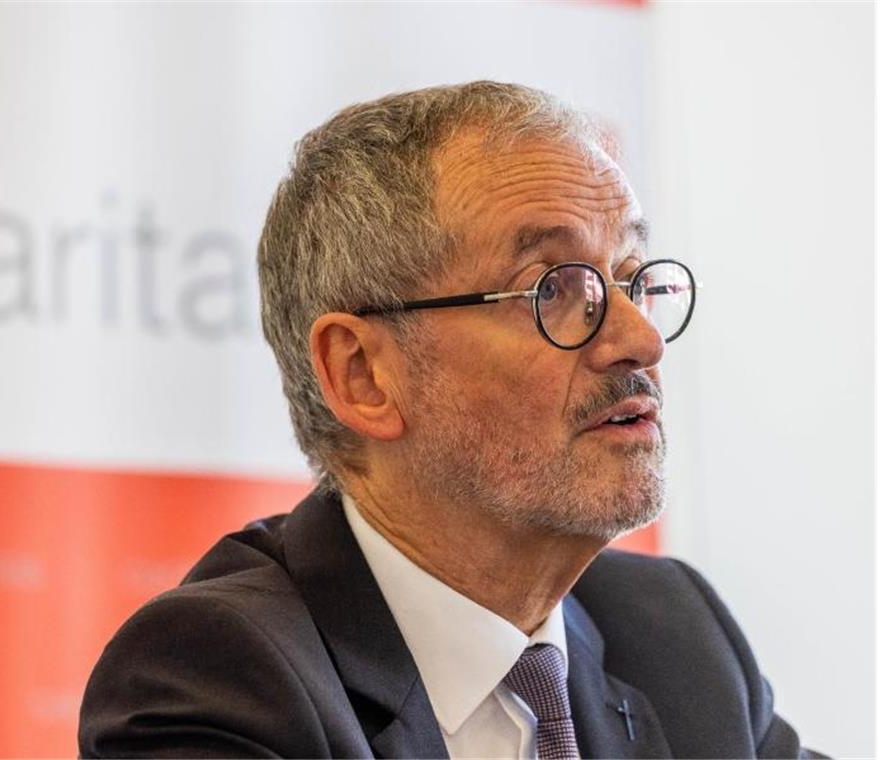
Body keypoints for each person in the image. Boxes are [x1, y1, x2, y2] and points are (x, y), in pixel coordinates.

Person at [79, 81, 820, 759]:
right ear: (363, 375)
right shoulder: (216, 676)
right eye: (556, 288)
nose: (640, 339)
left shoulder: (675, 635)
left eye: (631, 279)